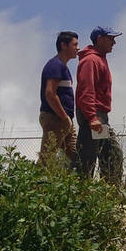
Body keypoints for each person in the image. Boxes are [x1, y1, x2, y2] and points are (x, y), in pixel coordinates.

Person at [75, 25, 123, 182]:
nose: (114, 43)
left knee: (112, 153)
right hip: (94, 114)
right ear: (100, 39)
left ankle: (108, 192)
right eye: (111, 39)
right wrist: (92, 117)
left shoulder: (99, 59)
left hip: (100, 115)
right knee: (87, 157)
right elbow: (86, 90)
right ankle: (78, 194)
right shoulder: (91, 61)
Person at [38, 31, 79, 167]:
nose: (77, 48)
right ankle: (34, 185)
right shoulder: (55, 65)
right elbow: (50, 93)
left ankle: (79, 185)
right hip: (55, 118)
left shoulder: (64, 67)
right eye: (75, 44)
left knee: (77, 155)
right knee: (47, 158)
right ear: (64, 45)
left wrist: (67, 120)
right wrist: (64, 117)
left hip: (64, 120)